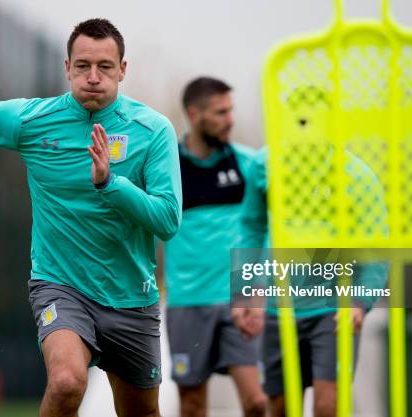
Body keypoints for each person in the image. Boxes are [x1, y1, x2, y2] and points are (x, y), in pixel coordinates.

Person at [0, 18, 182, 417]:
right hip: (60, 285)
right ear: (67, 68)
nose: (93, 77)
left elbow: (167, 220)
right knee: (66, 382)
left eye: (105, 67)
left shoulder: (154, 130)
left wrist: (110, 183)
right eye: (83, 66)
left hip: (131, 298)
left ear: (123, 70)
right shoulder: (34, 120)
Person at [236, 146, 387, 417]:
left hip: (333, 309)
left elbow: (376, 249)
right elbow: (252, 228)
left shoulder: (357, 175)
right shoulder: (263, 164)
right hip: (276, 307)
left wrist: (359, 301)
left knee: (328, 408)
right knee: (280, 408)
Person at [164, 77, 266, 417]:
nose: (230, 120)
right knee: (192, 407)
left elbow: (267, 227)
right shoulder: (167, 169)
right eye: (221, 112)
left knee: (257, 402)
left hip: (239, 301)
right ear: (195, 115)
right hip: (187, 304)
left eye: (231, 110)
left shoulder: (249, 165)